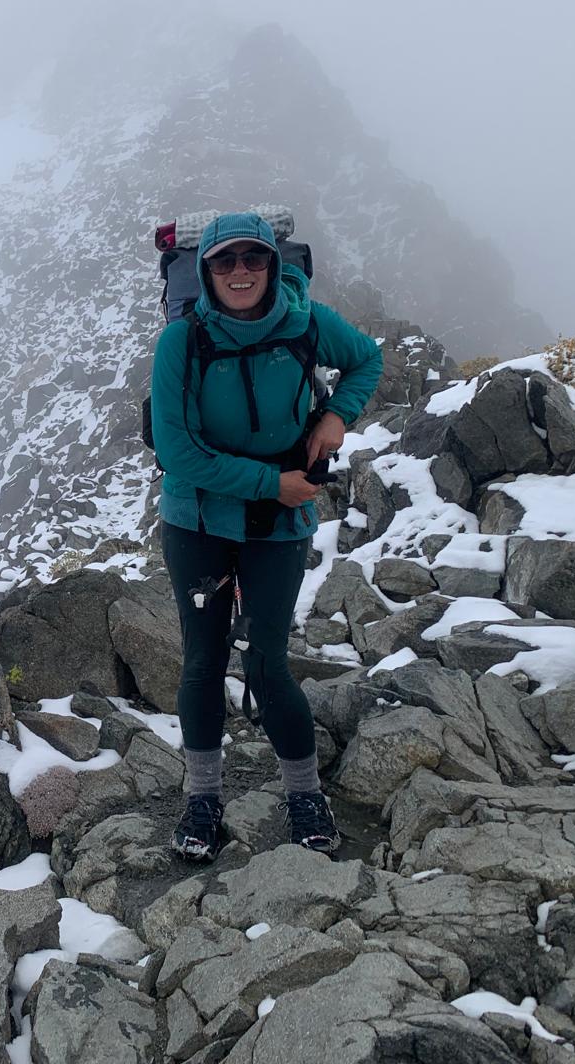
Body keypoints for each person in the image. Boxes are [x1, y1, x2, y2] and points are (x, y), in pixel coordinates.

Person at [149, 211, 382, 862]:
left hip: (278, 524)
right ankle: (202, 797)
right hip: (199, 519)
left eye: (253, 258)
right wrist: (271, 485)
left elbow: (367, 359)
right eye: (225, 262)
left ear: (274, 264)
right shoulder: (182, 343)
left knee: (266, 661)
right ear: (205, 272)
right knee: (203, 660)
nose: (241, 272)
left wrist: (336, 415)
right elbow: (178, 452)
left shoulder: (305, 322)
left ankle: (303, 793)